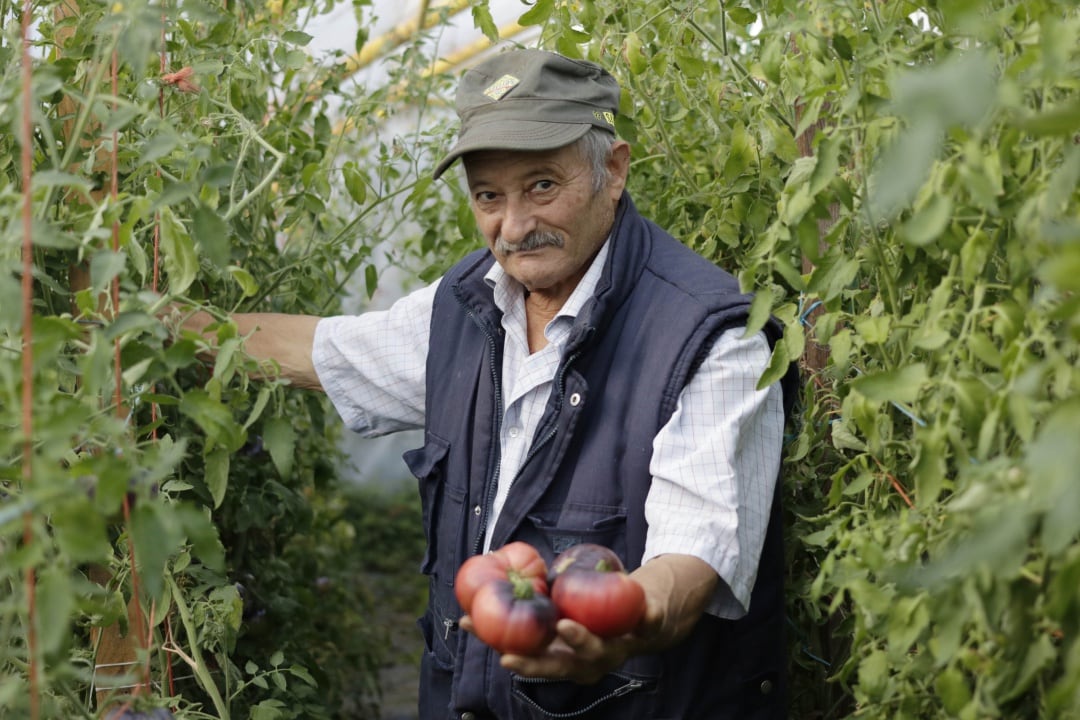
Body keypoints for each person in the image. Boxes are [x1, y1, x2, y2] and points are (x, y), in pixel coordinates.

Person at [182, 48, 798, 719]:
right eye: (488, 197)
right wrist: (163, 329)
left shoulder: (706, 337)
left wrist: (618, 626)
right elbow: (324, 351)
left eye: (541, 186)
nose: (514, 226)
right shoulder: (469, 306)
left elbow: (692, 559)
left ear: (613, 171)